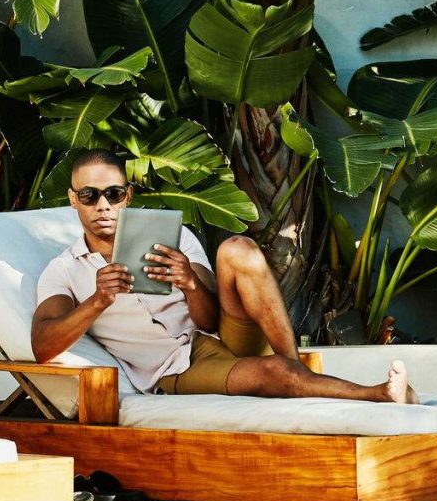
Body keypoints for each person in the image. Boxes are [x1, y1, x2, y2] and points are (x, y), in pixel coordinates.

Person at [30, 150, 417, 404]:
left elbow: (210, 318)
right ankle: (377, 394)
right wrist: (98, 301)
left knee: (237, 248)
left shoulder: (173, 239)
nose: (103, 206)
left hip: (219, 332)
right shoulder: (65, 270)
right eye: (89, 196)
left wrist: (189, 282)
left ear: (127, 196)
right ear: (72, 199)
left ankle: (294, 367)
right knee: (273, 373)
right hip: (176, 368)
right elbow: (43, 345)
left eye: (113, 194)